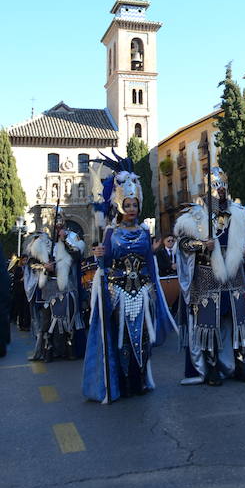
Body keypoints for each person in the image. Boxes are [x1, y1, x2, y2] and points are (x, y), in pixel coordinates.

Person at [82, 155, 176, 402]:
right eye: (128, 204)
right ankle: (123, 383)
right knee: (122, 339)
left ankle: (140, 379)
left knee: (143, 338)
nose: (132, 208)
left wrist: (155, 290)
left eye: (135, 204)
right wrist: (99, 255)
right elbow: (104, 263)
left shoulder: (145, 231)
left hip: (143, 292)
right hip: (118, 293)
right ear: (120, 204)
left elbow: (150, 263)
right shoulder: (111, 232)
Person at [176, 168, 245, 387]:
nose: (221, 191)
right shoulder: (196, 216)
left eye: (224, 186)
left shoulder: (240, 214)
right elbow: (182, 243)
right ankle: (212, 367)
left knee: (239, 322)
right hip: (207, 276)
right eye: (216, 187)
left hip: (235, 276)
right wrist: (201, 245)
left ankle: (240, 364)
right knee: (209, 324)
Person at [23, 215, 86, 362]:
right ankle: (48, 350)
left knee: (68, 320)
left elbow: (77, 255)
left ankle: (68, 349)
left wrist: (64, 241)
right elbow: (31, 262)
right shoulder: (42, 240)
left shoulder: (72, 237)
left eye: (60, 220)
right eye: (55, 220)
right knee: (47, 321)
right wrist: (44, 266)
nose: (58, 224)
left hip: (67, 285)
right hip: (49, 285)